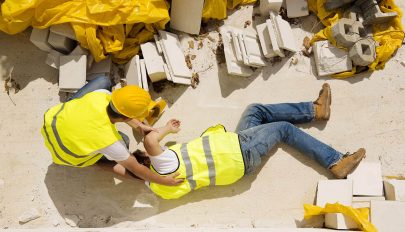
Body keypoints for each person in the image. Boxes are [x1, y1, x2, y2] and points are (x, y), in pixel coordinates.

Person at [136, 83, 366, 199]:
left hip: (235, 148)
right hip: (240, 152)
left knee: (254, 110)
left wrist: (115, 163)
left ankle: (316, 110)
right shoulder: (164, 165)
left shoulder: (157, 187)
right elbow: (150, 141)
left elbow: (125, 169)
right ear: (148, 161)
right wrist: (166, 128)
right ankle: (335, 162)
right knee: (284, 129)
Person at [41, 75, 183, 186]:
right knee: (125, 143)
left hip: (52, 122)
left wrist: (139, 126)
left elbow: (121, 112)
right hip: (66, 155)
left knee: (103, 81)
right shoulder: (111, 142)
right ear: (127, 117)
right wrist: (164, 181)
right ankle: (95, 163)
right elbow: (136, 169)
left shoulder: (100, 95)